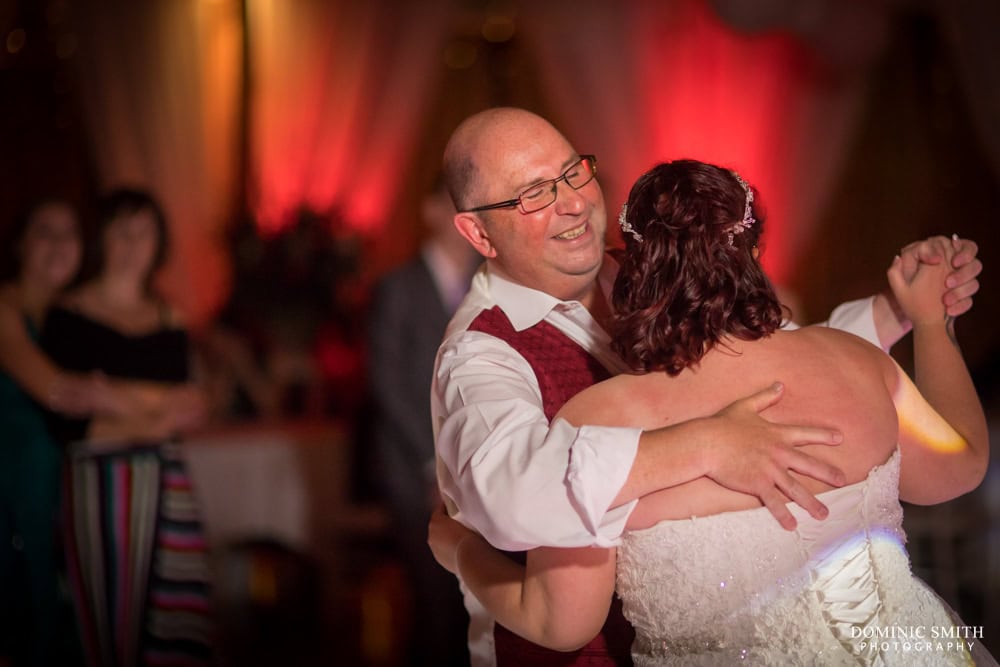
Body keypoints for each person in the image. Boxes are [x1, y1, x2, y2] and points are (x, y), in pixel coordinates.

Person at [430, 107, 983, 665]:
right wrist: (708, 443)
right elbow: (517, 494)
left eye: (574, 172)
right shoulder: (478, 355)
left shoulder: (659, 269)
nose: (572, 201)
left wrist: (899, 311)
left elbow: (774, 361)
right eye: (533, 194)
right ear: (478, 231)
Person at [40, 188, 213, 667]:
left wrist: (110, 396)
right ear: (102, 237)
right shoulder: (68, 313)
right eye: (121, 230)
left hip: (164, 483)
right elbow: (72, 420)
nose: (132, 243)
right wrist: (155, 412)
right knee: (99, 614)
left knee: (166, 618)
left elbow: (191, 407)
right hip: (94, 486)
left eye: (143, 231)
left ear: (158, 241)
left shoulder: (168, 315)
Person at [369, 177, 478, 666]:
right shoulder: (398, 287)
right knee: (433, 606)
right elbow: (387, 386)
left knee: (475, 607)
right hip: (416, 471)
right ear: (430, 211)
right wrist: (433, 464)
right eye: (456, 207)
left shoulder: (489, 282)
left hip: (478, 470)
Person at [0, 199, 109, 666]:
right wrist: (150, 404)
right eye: (46, 231)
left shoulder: (75, 315)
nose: (61, 244)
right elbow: (57, 393)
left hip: (57, 497)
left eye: (70, 233)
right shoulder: (3, 308)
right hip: (7, 495)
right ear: (21, 243)